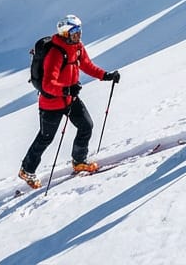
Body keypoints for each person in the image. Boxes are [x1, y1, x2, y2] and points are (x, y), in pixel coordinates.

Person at [18, 14, 121, 189]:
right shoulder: (55, 52)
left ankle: (79, 161)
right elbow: (48, 84)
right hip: (51, 103)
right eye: (74, 32)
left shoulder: (78, 47)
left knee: (86, 125)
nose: (78, 35)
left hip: (70, 99)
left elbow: (87, 65)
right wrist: (66, 89)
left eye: (79, 31)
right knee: (45, 138)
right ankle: (26, 170)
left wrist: (106, 75)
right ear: (65, 33)